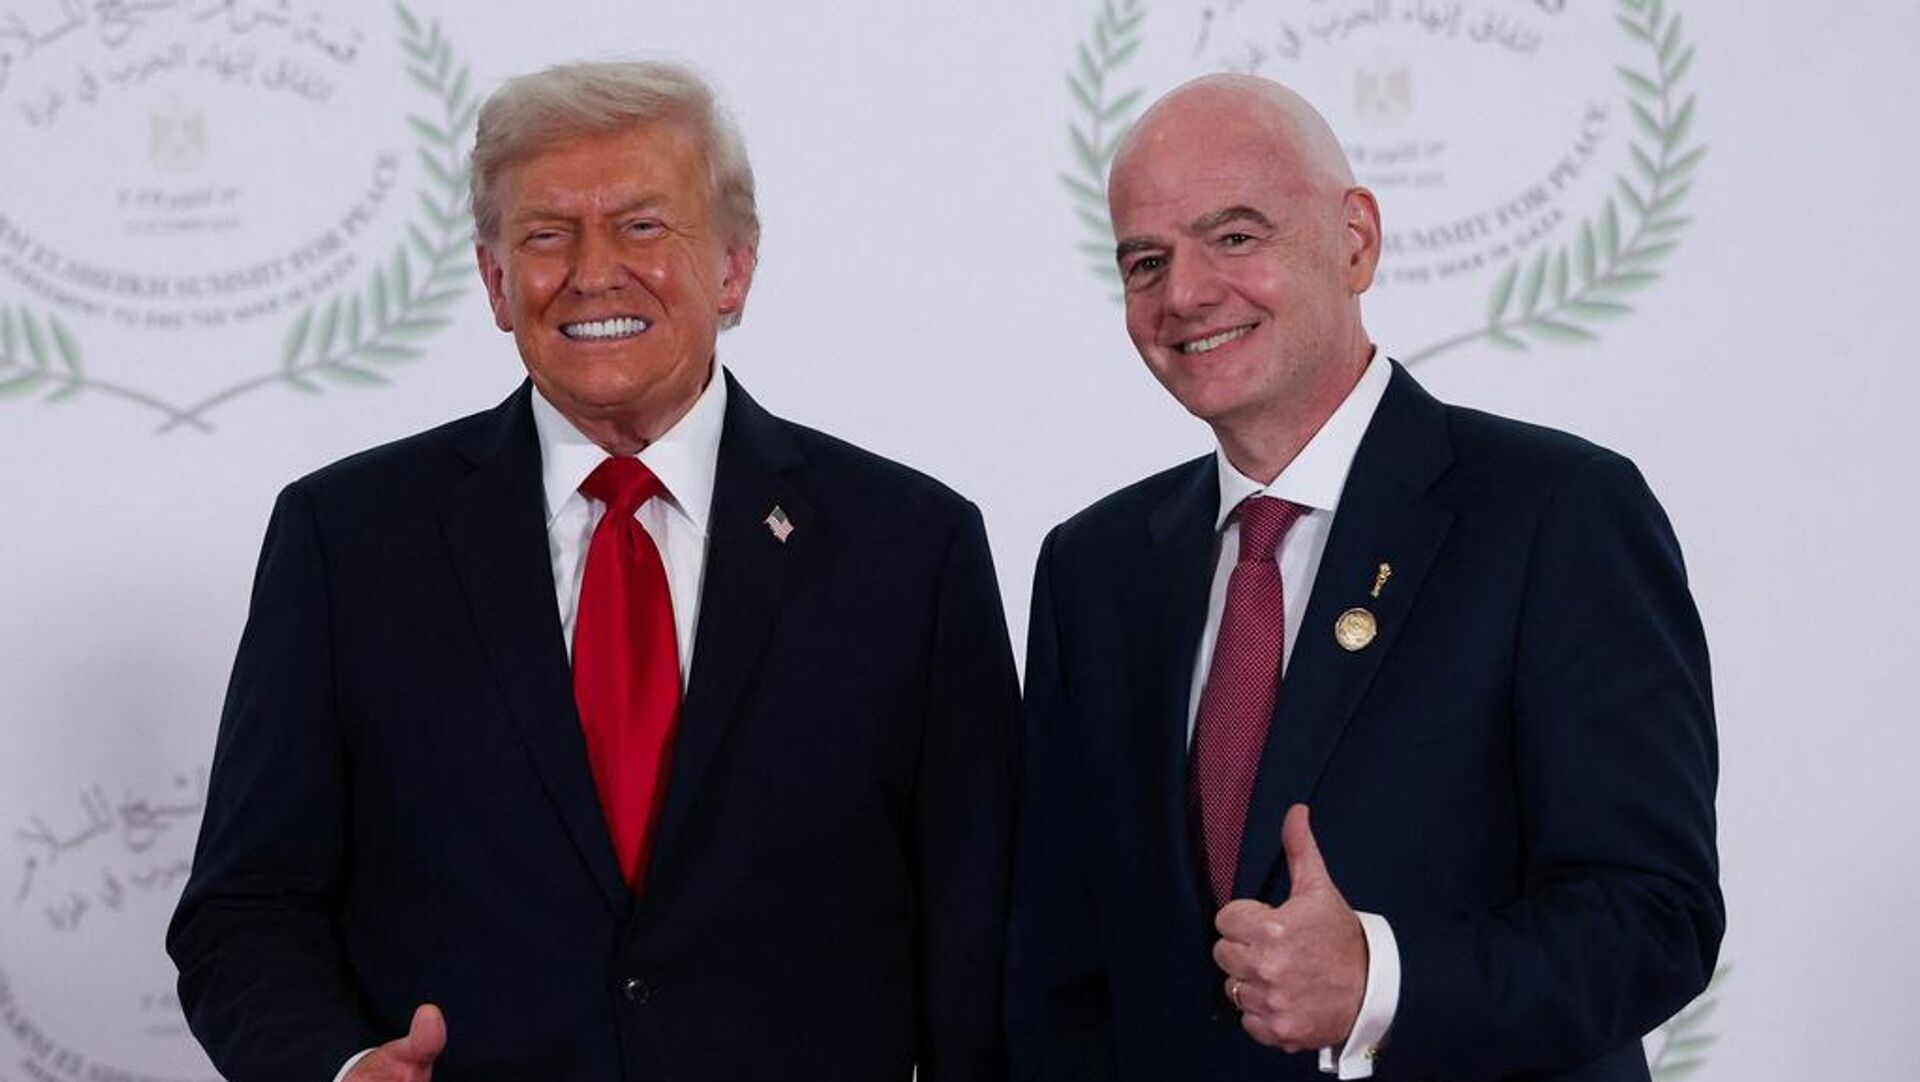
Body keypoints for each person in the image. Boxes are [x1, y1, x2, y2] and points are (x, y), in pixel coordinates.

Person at [168, 60, 1019, 1082]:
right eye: (545, 235)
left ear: (735, 269)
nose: (592, 271)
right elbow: (246, 909)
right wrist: (340, 1066)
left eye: (642, 225)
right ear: (495, 283)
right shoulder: (345, 540)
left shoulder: (912, 549)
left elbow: (984, 942)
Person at [1008, 74, 1722, 1081]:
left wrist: (1379, 980)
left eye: (1235, 236)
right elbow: (1060, 966)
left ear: (1356, 241)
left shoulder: (1558, 512)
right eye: (1146, 261)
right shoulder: (1094, 566)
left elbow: (1654, 917)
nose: (1186, 293)